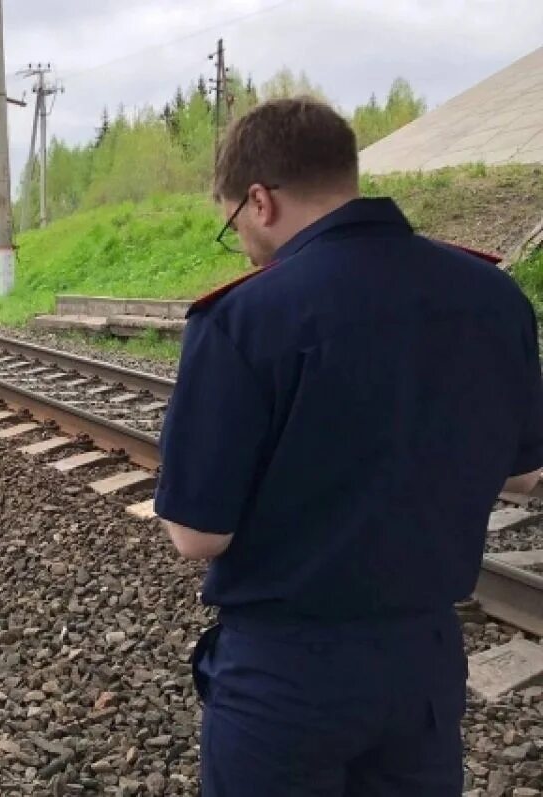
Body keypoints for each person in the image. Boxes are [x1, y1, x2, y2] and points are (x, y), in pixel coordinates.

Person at [154, 97, 543, 796]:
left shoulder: (243, 318)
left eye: (233, 222)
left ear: (260, 200)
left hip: (285, 674)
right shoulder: (492, 294)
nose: (240, 238)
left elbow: (196, 534)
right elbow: (524, 475)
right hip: (422, 666)